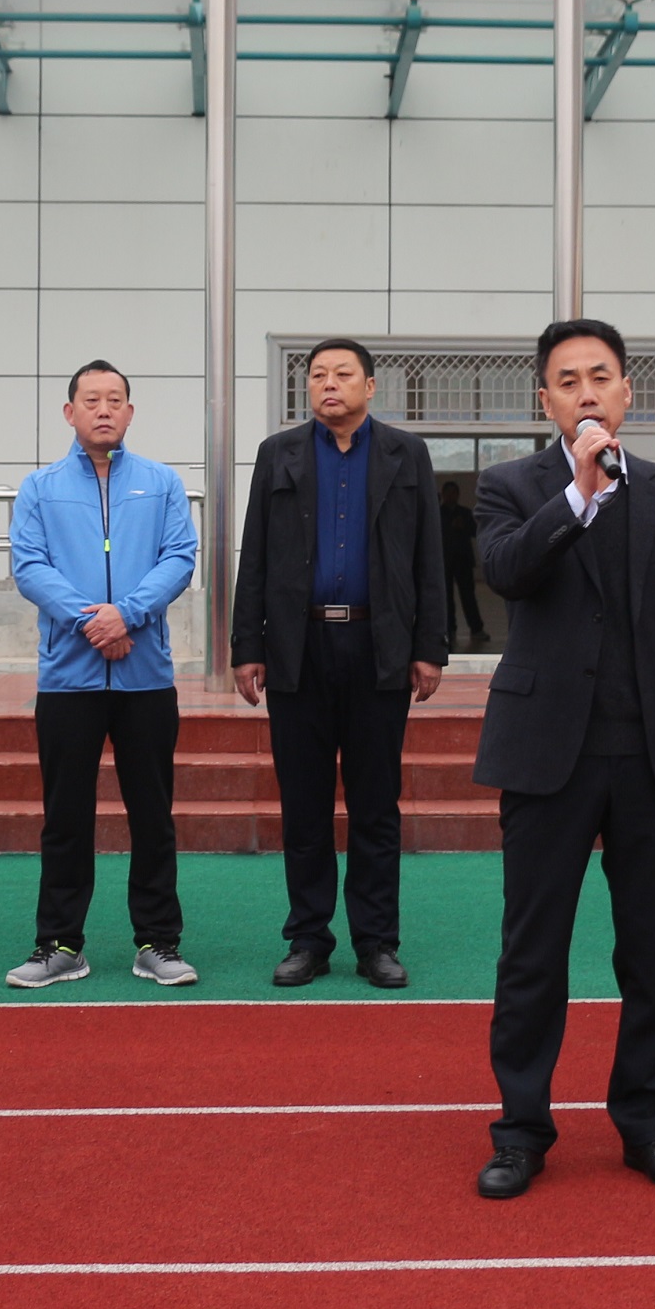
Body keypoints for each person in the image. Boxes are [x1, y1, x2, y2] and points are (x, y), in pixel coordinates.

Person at [471, 319, 655, 1201]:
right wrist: (578, 496)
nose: (586, 392)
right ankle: (521, 1131)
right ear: (545, 400)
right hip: (546, 754)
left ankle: (651, 1126)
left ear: (627, 392)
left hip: (652, 755)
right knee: (533, 953)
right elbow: (508, 572)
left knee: (651, 955)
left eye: (600, 376)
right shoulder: (511, 486)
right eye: (568, 380)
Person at [231, 338, 447, 989]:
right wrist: (247, 647)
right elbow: (254, 554)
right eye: (318, 374)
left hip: (378, 647)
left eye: (343, 374)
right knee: (304, 805)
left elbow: (429, 555)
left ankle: (377, 942)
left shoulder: (407, 454)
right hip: (298, 648)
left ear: (369, 386)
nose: (329, 384)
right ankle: (308, 938)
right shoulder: (279, 454)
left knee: (376, 805)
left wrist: (429, 646)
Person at [6, 360, 203, 990]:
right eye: (91, 400)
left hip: (146, 679)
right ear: (70, 412)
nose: (104, 409)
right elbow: (29, 565)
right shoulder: (40, 487)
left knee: (153, 815)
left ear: (130, 412)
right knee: (65, 817)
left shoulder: (161, 483)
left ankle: (158, 942)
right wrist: (92, 621)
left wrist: (128, 614)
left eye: (115, 399)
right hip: (69, 679)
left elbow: (180, 557)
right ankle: (59, 944)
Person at [439, 480, 488, 647]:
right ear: (443, 494)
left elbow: (476, 532)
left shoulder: (465, 513)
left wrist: (464, 526)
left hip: (463, 560)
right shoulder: (437, 513)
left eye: (453, 492)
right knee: (446, 598)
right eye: (448, 492)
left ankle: (476, 628)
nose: (450, 496)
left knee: (468, 596)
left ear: (458, 495)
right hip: (445, 560)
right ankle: (448, 629)